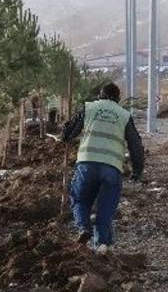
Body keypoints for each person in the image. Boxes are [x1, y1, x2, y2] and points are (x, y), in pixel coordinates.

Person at [61, 82, 145, 252]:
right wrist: (137, 170)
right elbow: (135, 145)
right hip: (112, 168)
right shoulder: (124, 115)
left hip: (87, 164)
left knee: (80, 199)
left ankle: (83, 228)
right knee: (106, 206)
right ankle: (102, 245)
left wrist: (65, 133)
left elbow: (70, 132)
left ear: (100, 95)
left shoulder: (89, 108)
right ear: (118, 98)